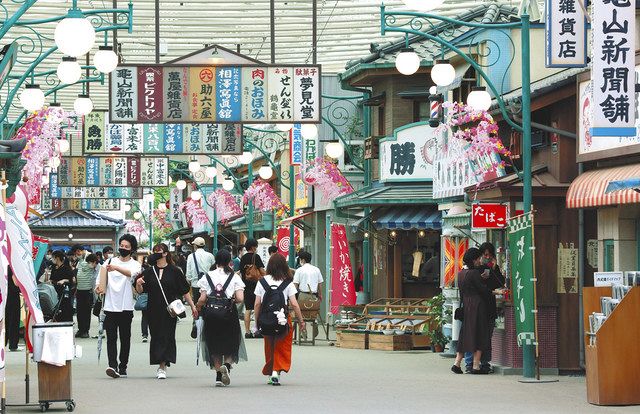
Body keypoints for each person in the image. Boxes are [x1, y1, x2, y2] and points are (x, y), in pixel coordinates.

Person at [135, 243, 194, 379]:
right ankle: (161, 361)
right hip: (153, 308)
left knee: (167, 335)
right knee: (156, 335)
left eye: (159, 251)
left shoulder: (175, 271)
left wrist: (193, 306)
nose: (156, 253)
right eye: (154, 251)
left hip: (169, 309)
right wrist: (138, 284)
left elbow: (185, 290)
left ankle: (163, 365)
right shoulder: (149, 271)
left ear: (166, 253)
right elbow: (141, 291)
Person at [196, 249, 246, 387]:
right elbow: (241, 298)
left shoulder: (207, 276)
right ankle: (227, 365)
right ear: (229, 261)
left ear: (216, 260)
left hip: (211, 315)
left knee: (214, 343)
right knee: (232, 342)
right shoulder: (234, 277)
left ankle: (218, 376)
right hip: (229, 314)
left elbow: (202, 298)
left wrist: (197, 307)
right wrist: (231, 300)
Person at [95, 234, 142, 379]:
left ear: (132, 249)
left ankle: (123, 366)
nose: (123, 248)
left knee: (125, 338)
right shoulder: (109, 261)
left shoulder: (135, 264)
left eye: (127, 247)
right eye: (121, 246)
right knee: (111, 337)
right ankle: (112, 366)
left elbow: (133, 275)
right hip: (110, 306)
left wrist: (116, 268)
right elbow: (100, 280)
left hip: (126, 306)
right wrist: (98, 288)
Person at [254, 253, 306, 386]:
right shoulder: (288, 283)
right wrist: (301, 321)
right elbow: (294, 304)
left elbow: (257, 304)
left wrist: (257, 322)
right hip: (282, 319)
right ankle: (276, 372)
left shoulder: (262, 281)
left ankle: (271, 371)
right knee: (282, 345)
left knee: (269, 345)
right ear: (284, 266)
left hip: (266, 319)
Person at [451, 248, 504, 375]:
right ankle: (476, 366)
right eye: (479, 258)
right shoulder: (474, 273)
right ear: (474, 260)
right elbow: (483, 290)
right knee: (480, 334)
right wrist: (497, 292)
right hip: (478, 307)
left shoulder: (461, 273)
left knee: (465, 334)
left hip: (467, 306)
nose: (480, 260)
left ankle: (457, 363)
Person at [240, 238, 266, 338]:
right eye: (256, 246)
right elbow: (262, 271)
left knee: (248, 309)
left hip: (246, 286)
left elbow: (242, 272)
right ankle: (258, 330)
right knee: (257, 307)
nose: (256, 247)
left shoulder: (243, 258)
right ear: (253, 247)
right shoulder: (256, 257)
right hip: (257, 286)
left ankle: (247, 332)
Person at [75, 253, 99, 338]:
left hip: (88, 292)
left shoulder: (95, 267)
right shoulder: (81, 263)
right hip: (79, 290)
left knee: (86, 312)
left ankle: (85, 330)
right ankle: (80, 329)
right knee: (79, 312)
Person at [49, 250, 76, 322]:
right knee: (56, 310)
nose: (52, 259)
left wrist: (64, 280)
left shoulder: (66, 268)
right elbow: (51, 279)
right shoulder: (54, 268)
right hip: (54, 292)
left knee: (65, 309)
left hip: (64, 293)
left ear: (57, 258)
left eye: (53, 257)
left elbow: (72, 280)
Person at [6, 269, 22, 351]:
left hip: (5, 295)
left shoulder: (4, 266)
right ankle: (13, 345)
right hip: (13, 296)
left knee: (5, 320)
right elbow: (15, 282)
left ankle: (3, 342)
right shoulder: (12, 267)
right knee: (14, 320)